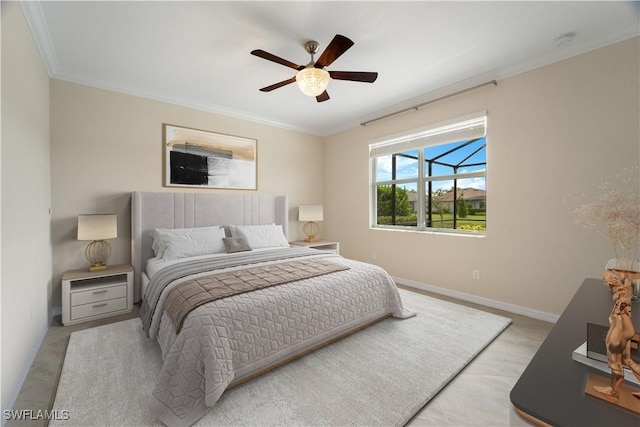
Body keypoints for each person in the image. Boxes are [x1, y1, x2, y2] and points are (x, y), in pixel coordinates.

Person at [594, 270, 640, 399]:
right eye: (612, 277)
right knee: (628, 360)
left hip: (619, 329)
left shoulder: (623, 292)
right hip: (626, 328)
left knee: (614, 361)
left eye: (613, 277)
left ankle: (614, 390)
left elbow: (623, 302)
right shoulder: (626, 287)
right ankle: (614, 389)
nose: (613, 279)